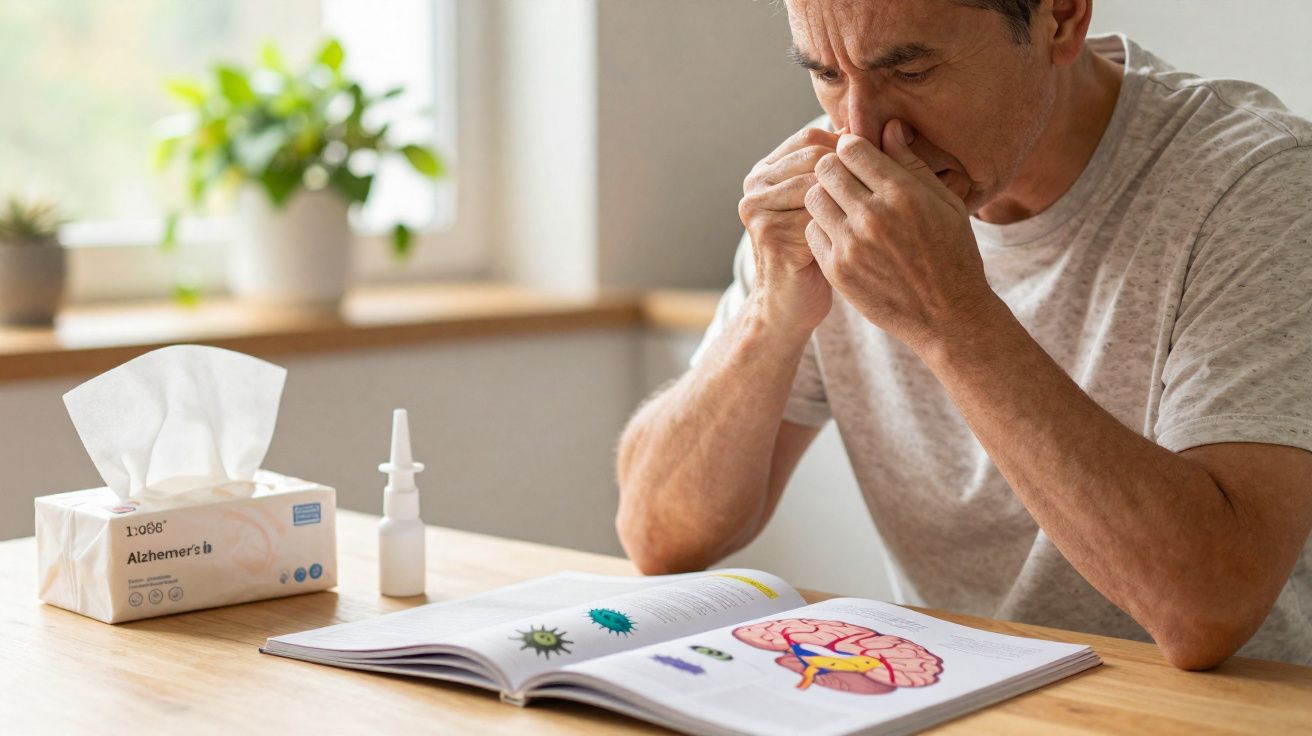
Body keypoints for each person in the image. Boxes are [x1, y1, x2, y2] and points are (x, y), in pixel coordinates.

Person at [615, 0, 1312, 669]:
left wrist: (951, 317)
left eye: (910, 72)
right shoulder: (834, 203)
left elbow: (1207, 612)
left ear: (1060, 18)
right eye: (827, 74)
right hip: (955, 699)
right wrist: (771, 310)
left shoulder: (1258, 186)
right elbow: (656, 536)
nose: (860, 130)